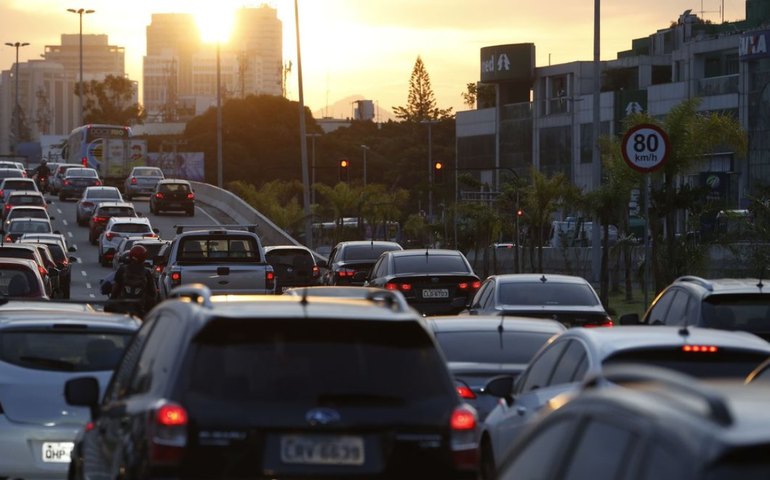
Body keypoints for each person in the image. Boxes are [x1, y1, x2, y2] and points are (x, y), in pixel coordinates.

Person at [109, 245, 157, 316]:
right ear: (144, 258)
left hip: (123, 306)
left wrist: (112, 298)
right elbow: (152, 292)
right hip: (140, 307)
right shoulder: (147, 272)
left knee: (108, 307)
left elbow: (115, 288)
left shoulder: (122, 269)